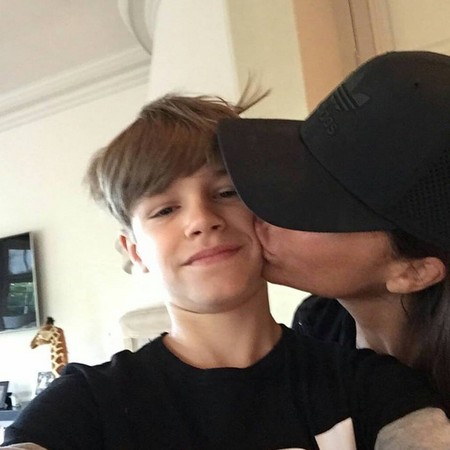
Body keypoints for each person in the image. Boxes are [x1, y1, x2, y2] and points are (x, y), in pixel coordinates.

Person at [1, 93, 446, 450]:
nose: (201, 220)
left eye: (227, 192)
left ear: (263, 211)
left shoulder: (373, 385)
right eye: (164, 209)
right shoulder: (84, 405)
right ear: (135, 252)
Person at [217, 50, 450, 426]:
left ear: (414, 272)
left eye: (312, 207)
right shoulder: (319, 325)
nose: (261, 215)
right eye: (289, 177)